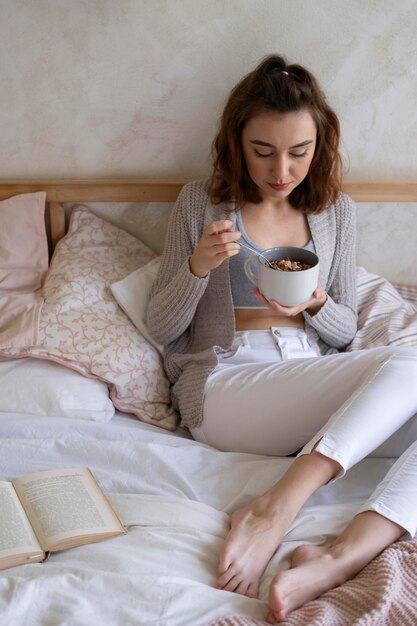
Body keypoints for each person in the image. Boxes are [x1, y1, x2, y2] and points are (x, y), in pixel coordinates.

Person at [147, 54, 417, 622]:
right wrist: (198, 266)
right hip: (230, 384)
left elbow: (345, 335)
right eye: (263, 151)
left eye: (299, 152)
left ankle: (342, 552)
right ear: (236, 143)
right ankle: (274, 507)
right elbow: (163, 329)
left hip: (310, 379)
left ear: (320, 144)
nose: (282, 170)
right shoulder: (201, 203)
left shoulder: (336, 211)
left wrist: (316, 304)